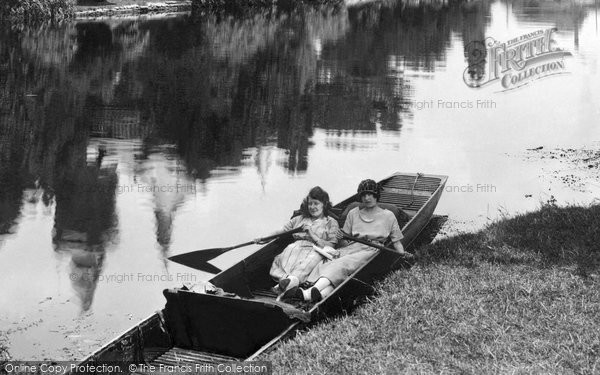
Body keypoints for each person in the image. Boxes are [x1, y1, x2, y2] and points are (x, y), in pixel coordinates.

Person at [296, 179, 413, 302]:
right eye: (363, 195)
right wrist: (340, 238)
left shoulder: (388, 216)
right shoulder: (353, 213)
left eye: (370, 194)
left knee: (342, 264)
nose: (367, 198)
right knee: (325, 261)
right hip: (352, 247)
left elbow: (396, 241)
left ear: (376, 195)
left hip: (372, 249)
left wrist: (402, 253)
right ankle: (319, 294)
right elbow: (344, 241)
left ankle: (309, 292)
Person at [264, 186, 340, 300]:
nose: (312, 207)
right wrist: (264, 237)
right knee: (281, 259)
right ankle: (287, 281)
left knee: (307, 262)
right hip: (296, 246)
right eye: (310, 204)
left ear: (324, 204)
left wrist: (312, 234)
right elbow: (282, 230)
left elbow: (331, 245)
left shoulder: (331, 222)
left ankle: (289, 283)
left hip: (316, 249)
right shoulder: (299, 219)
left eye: (316, 204)